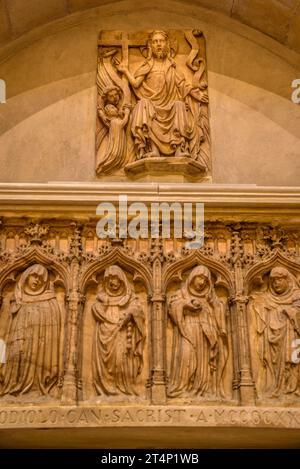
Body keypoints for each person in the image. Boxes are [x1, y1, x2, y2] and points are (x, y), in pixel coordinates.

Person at [115, 30, 208, 160]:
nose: (158, 44)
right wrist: (125, 71)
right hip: (152, 106)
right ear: (150, 46)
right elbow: (136, 84)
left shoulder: (171, 66)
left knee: (179, 105)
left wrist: (195, 93)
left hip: (169, 106)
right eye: (155, 41)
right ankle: (153, 149)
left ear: (167, 44)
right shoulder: (147, 65)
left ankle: (179, 148)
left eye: (161, 41)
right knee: (143, 104)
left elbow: (182, 84)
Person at [0, 264, 61, 397]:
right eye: (34, 276)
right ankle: (12, 386)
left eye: (41, 278)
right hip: (18, 341)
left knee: (35, 363)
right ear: (26, 276)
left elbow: (53, 329)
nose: (37, 280)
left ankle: (35, 389)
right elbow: (6, 330)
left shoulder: (50, 299)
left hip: (39, 345)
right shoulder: (16, 298)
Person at [167, 265, 228, 398]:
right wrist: (186, 304)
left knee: (203, 362)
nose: (201, 283)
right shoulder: (181, 294)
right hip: (187, 331)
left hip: (205, 334)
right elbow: (172, 307)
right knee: (186, 356)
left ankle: (202, 390)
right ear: (192, 278)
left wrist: (216, 307)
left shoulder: (210, 297)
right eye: (199, 278)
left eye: (205, 280)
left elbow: (219, 309)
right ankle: (182, 388)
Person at [92, 265, 145, 396]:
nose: (112, 282)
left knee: (123, 359)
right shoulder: (102, 297)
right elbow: (95, 310)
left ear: (122, 280)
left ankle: (125, 389)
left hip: (123, 332)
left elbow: (138, 309)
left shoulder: (130, 298)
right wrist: (104, 304)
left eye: (115, 278)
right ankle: (107, 389)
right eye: (109, 279)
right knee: (108, 362)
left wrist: (129, 314)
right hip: (105, 332)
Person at [249, 266, 300, 398]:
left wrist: (289, 311)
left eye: (279, 280)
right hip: (274, 340)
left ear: (287, 280)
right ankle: (278, 387)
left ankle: (293, 389)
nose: (276, 283)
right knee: (275, 364)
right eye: (273, 281)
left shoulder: (296, 296)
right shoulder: (268, 297)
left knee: (293, 361)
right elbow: (259, 299)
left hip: (293, 338)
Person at [96, 85, 130, 174]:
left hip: (120, 143)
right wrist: (127, 113)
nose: (114, 98)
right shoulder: (114, 121)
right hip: (116, 146)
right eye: (111, 96)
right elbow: (123, 123)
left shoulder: (114, 119)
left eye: (115, 95)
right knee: (115, 155)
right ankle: (106, 165)